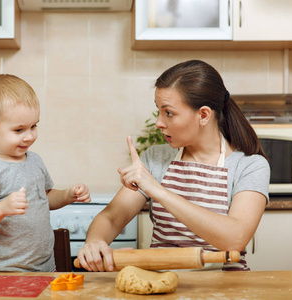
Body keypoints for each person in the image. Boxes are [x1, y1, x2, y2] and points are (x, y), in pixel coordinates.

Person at [77, 60, 270, 272]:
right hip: (161, 284)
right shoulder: (156, 158)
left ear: (203, 115)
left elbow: (235, 239)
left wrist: (158, 191)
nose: (159, 122)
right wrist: (95, 241)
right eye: (159, 111)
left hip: (225, 288)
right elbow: (112, 217)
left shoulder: (249, 166)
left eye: (168, 113)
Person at [0, 74, 91, 272]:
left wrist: (69, 195)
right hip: (4, 272)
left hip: (46, 268)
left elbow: (46, 198)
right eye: (19, 130)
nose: (29, 136)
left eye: (34, 126)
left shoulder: (34, 160)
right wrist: (2, 208)